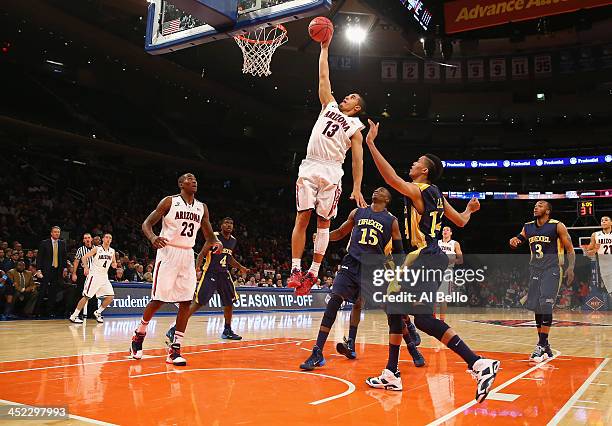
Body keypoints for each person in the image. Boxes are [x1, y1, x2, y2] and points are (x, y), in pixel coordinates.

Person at [363, 120, 499, 403]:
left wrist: (371, 144)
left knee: (406, 311)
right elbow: (460, 220)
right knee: (408, 312)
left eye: (416, 162)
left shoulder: (420, 189)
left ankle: (476, 363)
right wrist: (470, 210)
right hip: (433, 257)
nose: (412, 164)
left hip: (424, 256)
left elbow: (391, 181)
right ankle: (394, 372)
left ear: (424, 170)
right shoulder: (437, 195)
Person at [300, 188, 418, 369]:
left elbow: (399, 251)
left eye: (382, 190)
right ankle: (317, 352)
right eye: (376, 189)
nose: (377, 189)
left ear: (387, 199)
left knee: (392, 312)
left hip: (374, 269)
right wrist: (323, 238)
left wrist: (398, 274)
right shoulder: (358, 212)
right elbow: (340, 233)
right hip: (351, 264)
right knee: (334, 301)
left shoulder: (392, 221)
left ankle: (412, 347)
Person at [288, 31, 368, 296]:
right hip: (311, 165)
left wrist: (357, 186)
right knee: (303, 216)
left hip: (333, 171)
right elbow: (324, 76)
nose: (347, 97)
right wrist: (324, 48)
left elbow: (358, 158)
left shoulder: (357, 126)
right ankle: (295, 269)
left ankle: (313, 273)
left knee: (323, 223)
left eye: (353, 97)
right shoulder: (329, 105)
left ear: (358, 108)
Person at [130, 173, 221, 366]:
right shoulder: (169, 202)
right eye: (189, 178)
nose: (194, 180)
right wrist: (153, 237)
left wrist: (215, 241)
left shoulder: (201, 207)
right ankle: (139, 334)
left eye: (195, 178)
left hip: (188, 254)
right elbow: (146, 224)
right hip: (168, 252)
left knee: (186, 302)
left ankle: (175, 349)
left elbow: (208, 233)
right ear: (181, 184)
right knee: (159, 300)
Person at [510, 201, 575, 363]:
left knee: (546, 303)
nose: (536, 207)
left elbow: (570, 249)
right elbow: (519, 238)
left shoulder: (557, 226)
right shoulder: (528, 226)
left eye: (540, 205)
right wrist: (514, 241)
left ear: (547, 211)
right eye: (535, 205)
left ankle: (540, 344)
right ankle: (545, 345)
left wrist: (571, 268)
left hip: (552, 268)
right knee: (537, 306)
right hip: (535, 269)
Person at [165, 217, 248, 343]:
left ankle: (227, 330)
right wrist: (197, 268)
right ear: (221, 226)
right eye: (226, 223)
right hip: (210, 273)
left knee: (229, 302)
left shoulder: (233, 241)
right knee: (198, 303)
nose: (229, 225)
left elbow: (229, 258)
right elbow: (202, 253)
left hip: (224, 274)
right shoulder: (213, 237)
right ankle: (175, 329)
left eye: (231, 223)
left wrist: (240, 267)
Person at [69, 233, 117, 324]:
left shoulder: (112, 251)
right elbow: (84, 257)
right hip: (94, 275)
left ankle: (98, 312)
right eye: (106, 237)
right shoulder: (97, 249)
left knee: (110, 296)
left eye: (110, 238)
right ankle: (74, 315)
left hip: (104, 277)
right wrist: (86, 267)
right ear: (103, 239)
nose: (108, 239)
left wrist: (114, 265)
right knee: (87, 296)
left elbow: (114, 262)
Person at [35, 226, 68, 317]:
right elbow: (39, 258)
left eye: (58, 232)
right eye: (55, 232)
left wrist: (65, 268)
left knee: (53, 292)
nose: (57, 233)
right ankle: (37, 311)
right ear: (51, 233)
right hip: (46, 271)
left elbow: (64, 257)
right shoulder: (44, 243)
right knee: (42, 290)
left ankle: (50, 311)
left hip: (57, 271)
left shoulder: (62, 243)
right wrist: (38, 270)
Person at [437, 226, 463, 321]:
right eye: (443, 230)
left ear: (451, 233)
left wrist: (452, 260)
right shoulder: (437, 243)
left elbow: (461, 260)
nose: (445, 231)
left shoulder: (455, 244)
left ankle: (442, 320)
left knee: (443, 297)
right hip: (436, 270)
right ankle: (433, 319)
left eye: (447, 230)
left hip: (447, 271)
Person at [582, 216, 612, 295]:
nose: (603, 222)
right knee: (609, 290)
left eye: (606, 220)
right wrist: (595, 249)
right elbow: (589, 252)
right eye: (602, 220)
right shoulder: (595, 235)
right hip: (603, 265)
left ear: (611, 223)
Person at [72, 233, 97, 319]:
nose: (87, 239)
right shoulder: (80, 249)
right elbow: (76, 261)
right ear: (83, 240)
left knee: (93, 294)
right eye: (85, 238)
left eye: (88, 238)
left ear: (91, 239)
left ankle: (92, 313)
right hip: (83, 274)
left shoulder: (96, 249)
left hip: (94, 274)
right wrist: (74, 273)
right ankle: (78, 313)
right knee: (81, 293)